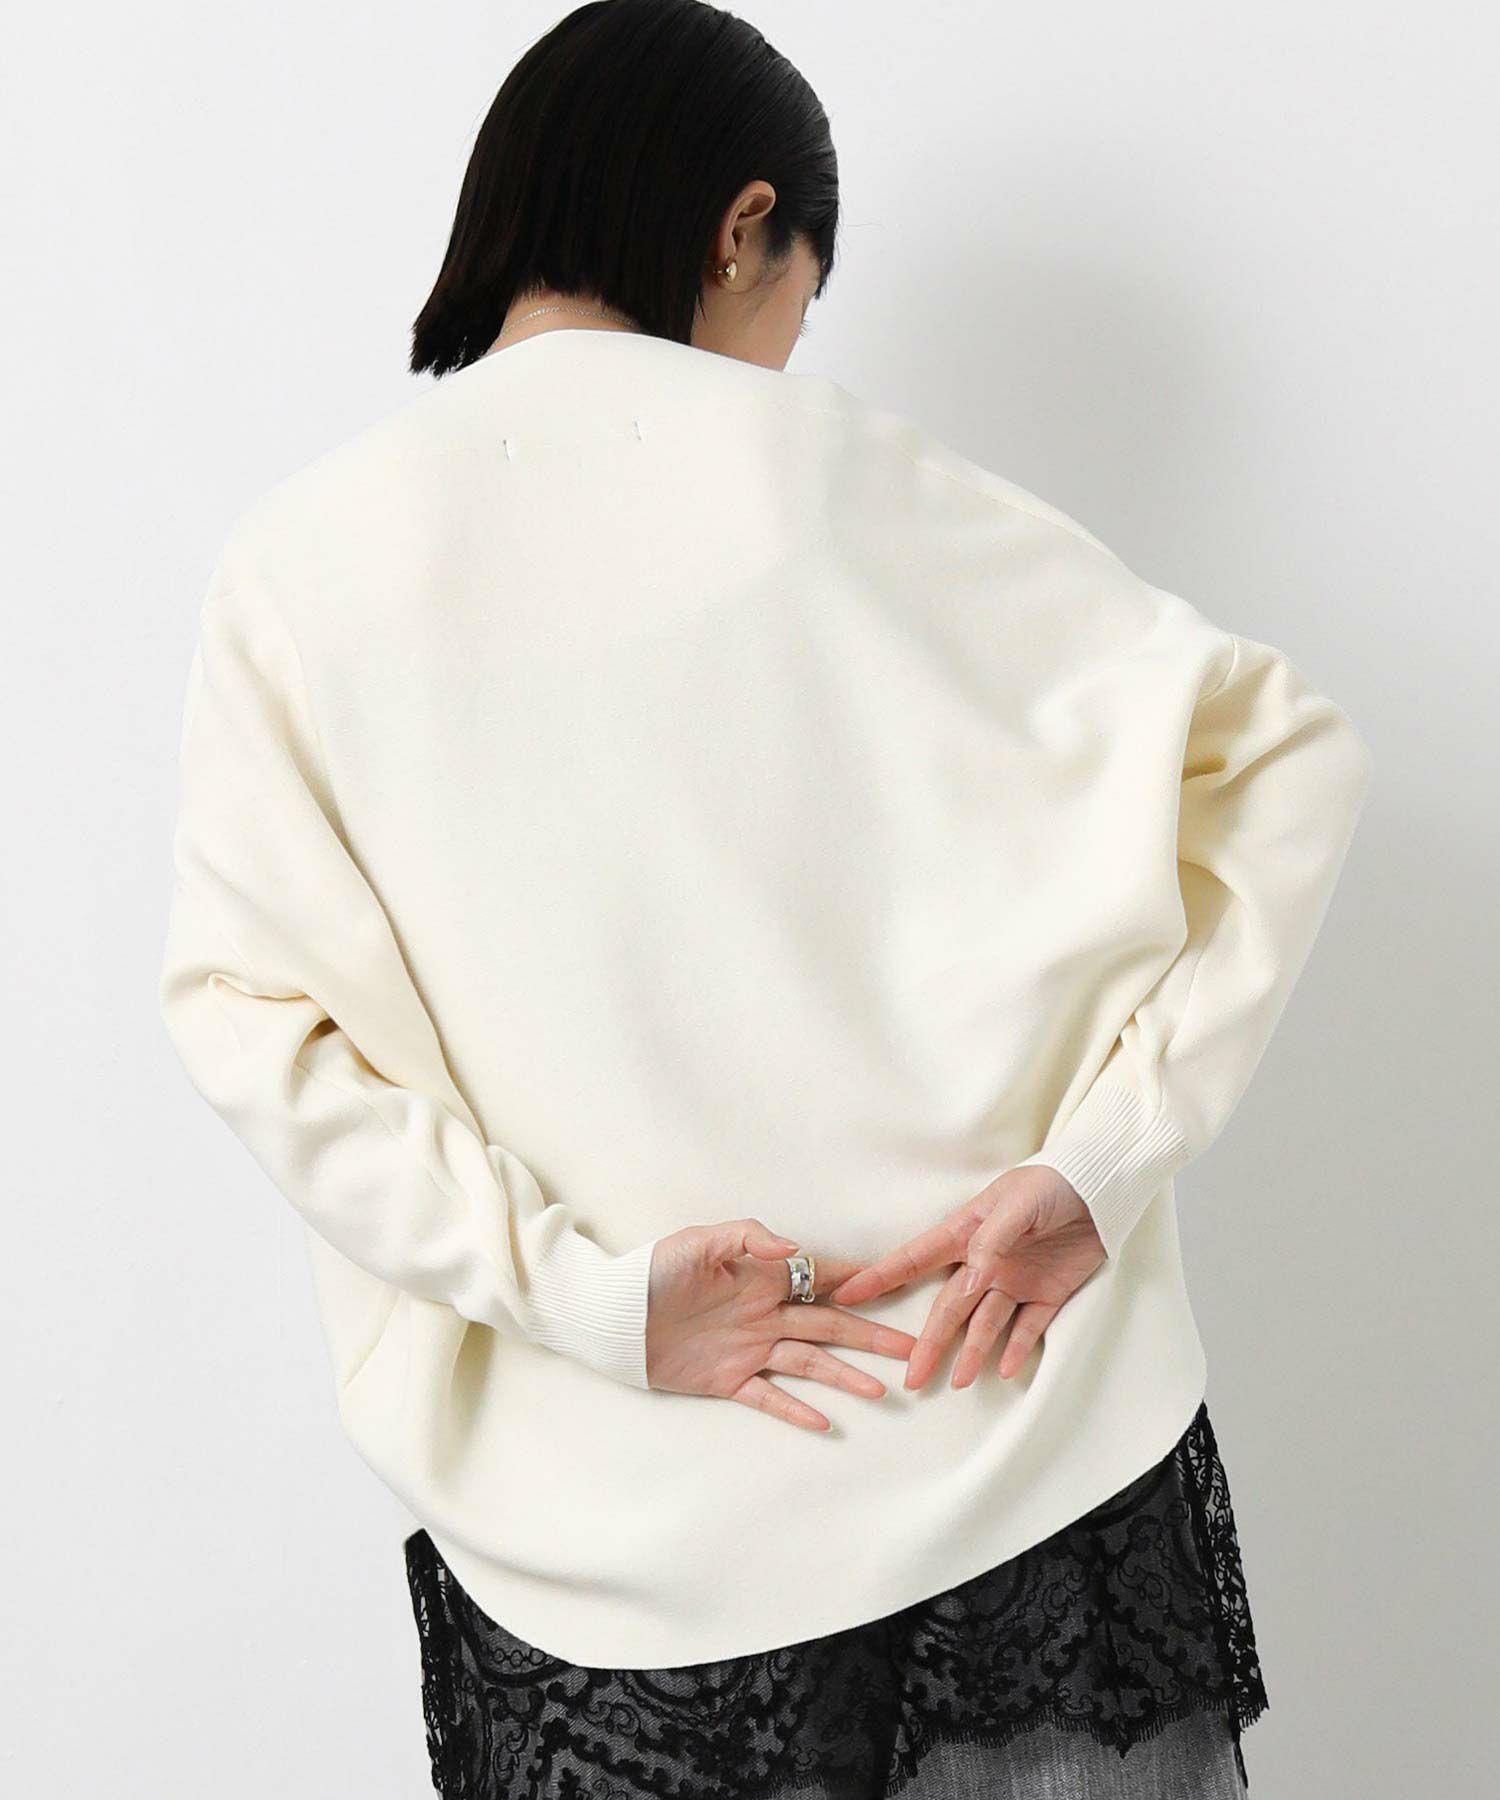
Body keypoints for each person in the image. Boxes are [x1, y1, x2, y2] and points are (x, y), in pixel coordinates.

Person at [156, 2, 1372, 1795]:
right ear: (743, 228)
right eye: (806, 287)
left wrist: (589, 1297)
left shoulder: (297, 569)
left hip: (603, 1547)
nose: (794, 346)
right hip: (1009, 1439)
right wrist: (1103, 1165)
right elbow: (1282, 758)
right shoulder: (847, 476)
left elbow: (260, 1034)